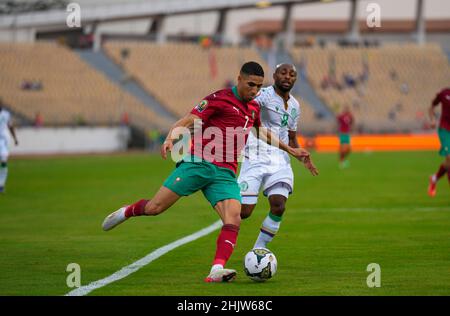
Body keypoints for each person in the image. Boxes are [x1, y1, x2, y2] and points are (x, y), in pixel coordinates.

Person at [101, 62, 313, 283]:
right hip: (198, 163)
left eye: (259, 87)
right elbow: (191, 119)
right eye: (250, 85)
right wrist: (172, 137)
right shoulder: (219, 98)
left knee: (234, 218)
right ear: (239, 79)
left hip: (225, 173)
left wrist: (289, 149)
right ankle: (126, 212)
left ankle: (216, 269)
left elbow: (261, 131)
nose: (254, 91)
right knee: (155, 208)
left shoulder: (253, 107)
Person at [238, 63, 318, 250]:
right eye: (283, 73)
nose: (287, 77)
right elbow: (246, 108)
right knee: (243, 212)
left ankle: (259, 249)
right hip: (255, 157)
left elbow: (291, 137)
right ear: (274, 76)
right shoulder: (263, 96)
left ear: (295, 79)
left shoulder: (295, 106)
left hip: (280, 160)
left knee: (278, 205)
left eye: (292, 74)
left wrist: (302, 156)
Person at [428, 87, 450, 197]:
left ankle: (434, 178)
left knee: (448, 164)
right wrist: (432, 120)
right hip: (445, 130)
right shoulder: (444, 93)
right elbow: (432, 106)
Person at [0, 99, 19, 193]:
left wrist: (15, 138)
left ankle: (1, 185)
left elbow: (10, 126)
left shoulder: (6, 114)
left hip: (3, 141)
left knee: (3, 160)